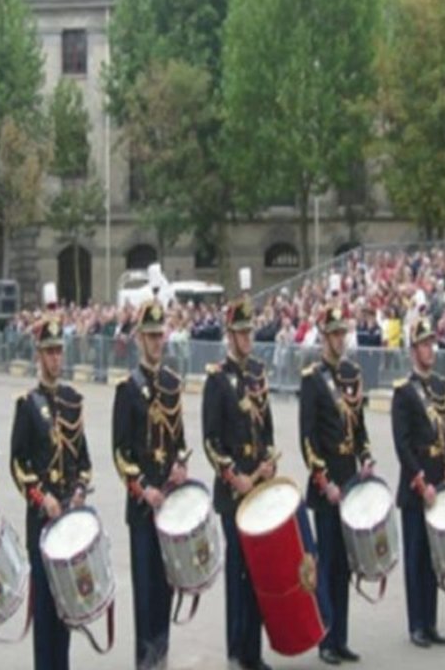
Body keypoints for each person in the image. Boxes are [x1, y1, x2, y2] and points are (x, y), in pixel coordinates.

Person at [10, 287, 92, 670]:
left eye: (59, 351)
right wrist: (41, 497)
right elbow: (17, 464)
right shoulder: (27, 405)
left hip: (70, 517)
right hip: (43, 518)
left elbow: (85, 462)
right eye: (49, 352)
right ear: (38, 355)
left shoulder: (74, 400)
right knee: (44, 609)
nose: (56, 358)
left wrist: (77, 492)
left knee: (67, 608)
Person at [202, 272, 276, 670]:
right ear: (229, 335)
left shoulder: (257, 375)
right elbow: (211, 441)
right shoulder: (218, 380)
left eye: (250, 331)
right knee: (239, 574)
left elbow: (267, 433)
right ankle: (236, 650)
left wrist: (267, 465)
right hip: (235, 492)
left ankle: (254, 650)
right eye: (241, 332)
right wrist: (237, 476)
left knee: (259, 571)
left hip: (259, 486)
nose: (248, 338)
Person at [112, 295, 188, 670]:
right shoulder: (127, 390)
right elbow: (120, 453)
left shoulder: (173, 384)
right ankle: (145, 660)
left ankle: (164, 656)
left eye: (161, 335)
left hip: (170, 502)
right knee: (145, 590)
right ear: (140, 339)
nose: (158, 341)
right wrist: (144, 487)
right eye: (151, 335)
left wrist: (180, 467)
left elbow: (181, 442)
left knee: (166, 585)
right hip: (144, 506)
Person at [299, 294, 372, 665]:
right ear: (323, 337)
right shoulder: (312, 381)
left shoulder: (351, 375)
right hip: (327, 487)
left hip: (351, 483)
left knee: (344, 566)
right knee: (326, 566)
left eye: (343, 333)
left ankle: (341, 636)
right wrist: (322, 480)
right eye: (334, 333)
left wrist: (367, 457)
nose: (340, 339)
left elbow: (359, 428)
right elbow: (307, 438)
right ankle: (325, 638)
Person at [391, 317, 445, 649]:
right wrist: (421, 481)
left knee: (434, 559)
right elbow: (402, 445)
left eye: (432, 343)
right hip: (417, 486)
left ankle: (431, 622)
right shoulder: (404, 391)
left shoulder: (439, 387)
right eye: (425, 344)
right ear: (413, 349)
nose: (431, 349)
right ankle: (416, 623)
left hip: (438, 482)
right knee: (416, 558)